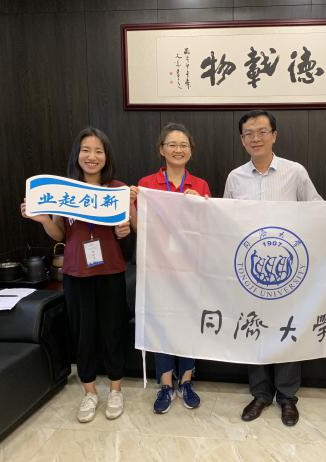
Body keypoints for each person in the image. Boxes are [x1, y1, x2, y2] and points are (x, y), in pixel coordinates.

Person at [21, 127, 131, 423]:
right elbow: (60, 233)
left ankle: (116, 389)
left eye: (98, 151)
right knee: (82, 333)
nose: (92, 156)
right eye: (86, 150)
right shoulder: (63, 190)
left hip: (110, 271)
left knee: (113, 330)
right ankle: (89, 392)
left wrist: (124, 230)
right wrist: (43, 219)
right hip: (75, 272)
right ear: (77, 155)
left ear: (106, 156)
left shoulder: (117, 190)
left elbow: (126, 231)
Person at [223, 109, 322, 427]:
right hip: (250, 270)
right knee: (254, 328)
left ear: (274, 135)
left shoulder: (295, 172)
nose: (256, 138)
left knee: (287, 329)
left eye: (262, 131)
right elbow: (225, 221)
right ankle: (261, 394)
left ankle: (288, 397)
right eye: (249, 133)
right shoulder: (235, 178)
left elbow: (317, 210)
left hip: (288, 268)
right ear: (242, 140)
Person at [132, 122, 211, 414]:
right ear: (161, 149)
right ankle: (166, 384)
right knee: (161, 324)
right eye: (172, 144)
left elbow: (208, 230)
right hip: (158, 269)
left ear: (191, 151)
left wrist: (202, 206)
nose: (178, 149)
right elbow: (140, 228)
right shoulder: (147, 184)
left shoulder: (200, 185)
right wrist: (132, 204)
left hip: (191, 269)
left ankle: (186, 381)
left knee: (188, 323)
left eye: (183, 145)